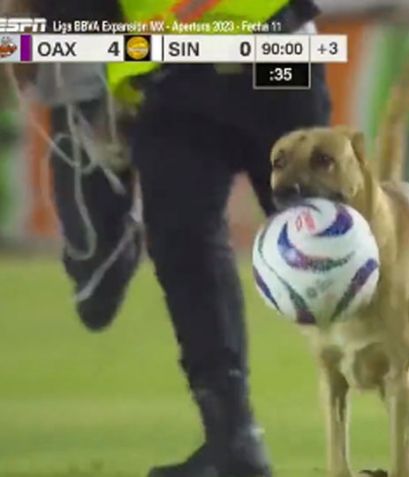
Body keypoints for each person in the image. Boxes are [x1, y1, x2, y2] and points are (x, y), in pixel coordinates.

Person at [13, 1, 330, 476]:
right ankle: (232, 439)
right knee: (188, 239)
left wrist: (24, 42)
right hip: (207, 65)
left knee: (297, 241)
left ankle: (245, 434)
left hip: (234, 53)